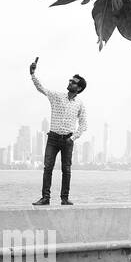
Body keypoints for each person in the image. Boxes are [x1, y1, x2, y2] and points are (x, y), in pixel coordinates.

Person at [29, 56, 88, 205]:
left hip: (68, 140)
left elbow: (83, 125)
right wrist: (33, 74)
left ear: (79, 88)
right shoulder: (57, 96)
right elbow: (41, 88)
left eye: (73, 82)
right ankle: (45, 198)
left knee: (66, 170)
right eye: (70, 80)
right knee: (47, 168)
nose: (69, 82)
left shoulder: (80, 104)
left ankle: (64, 199)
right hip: (53, 139)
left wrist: (72, 138)